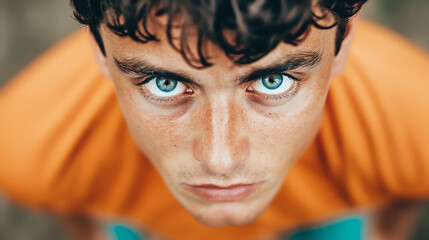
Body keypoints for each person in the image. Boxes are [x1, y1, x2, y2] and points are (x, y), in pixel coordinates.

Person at [0, 0, 428, 239]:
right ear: (96, 48)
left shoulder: (414, 125)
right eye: (164, 83)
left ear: (343, 42)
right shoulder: (31, 146)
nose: (220, 160)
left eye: (275, 80)